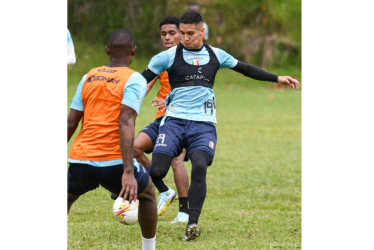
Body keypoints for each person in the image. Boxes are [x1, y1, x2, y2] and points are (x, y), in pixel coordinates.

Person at [141, 11, 300, 241]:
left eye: (190, 33)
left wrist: (277, 78)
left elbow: (246, 68)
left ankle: (192, 223)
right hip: (174, 122)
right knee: (156, 170)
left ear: (202, 31)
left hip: (203, 125)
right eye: (182, 33)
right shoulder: (166, 57)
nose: (184, 38)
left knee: (200, 165)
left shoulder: (216, 55)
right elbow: (142, 78)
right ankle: (144, 187)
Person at [67, 29, 157, 250]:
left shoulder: (88, 76)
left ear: (107, 50)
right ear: (133, 52)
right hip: (115, 163)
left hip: (81, 160)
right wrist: (128, 172)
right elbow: (126, 121)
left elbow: (71, 122)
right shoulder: (134, 78)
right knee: (148, 194)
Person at [134, 16, 190, 224]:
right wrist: (131, 105)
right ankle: (164, 191)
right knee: (134, 148)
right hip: (161, 121)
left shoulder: (192, 59)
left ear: (182, 34)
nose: (167, 38)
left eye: (172, 33)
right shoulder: (161, 59)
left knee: (177, 160)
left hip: (184, 119)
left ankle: (184, 213)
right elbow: (145, 85)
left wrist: (169, 102)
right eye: (163, 34)